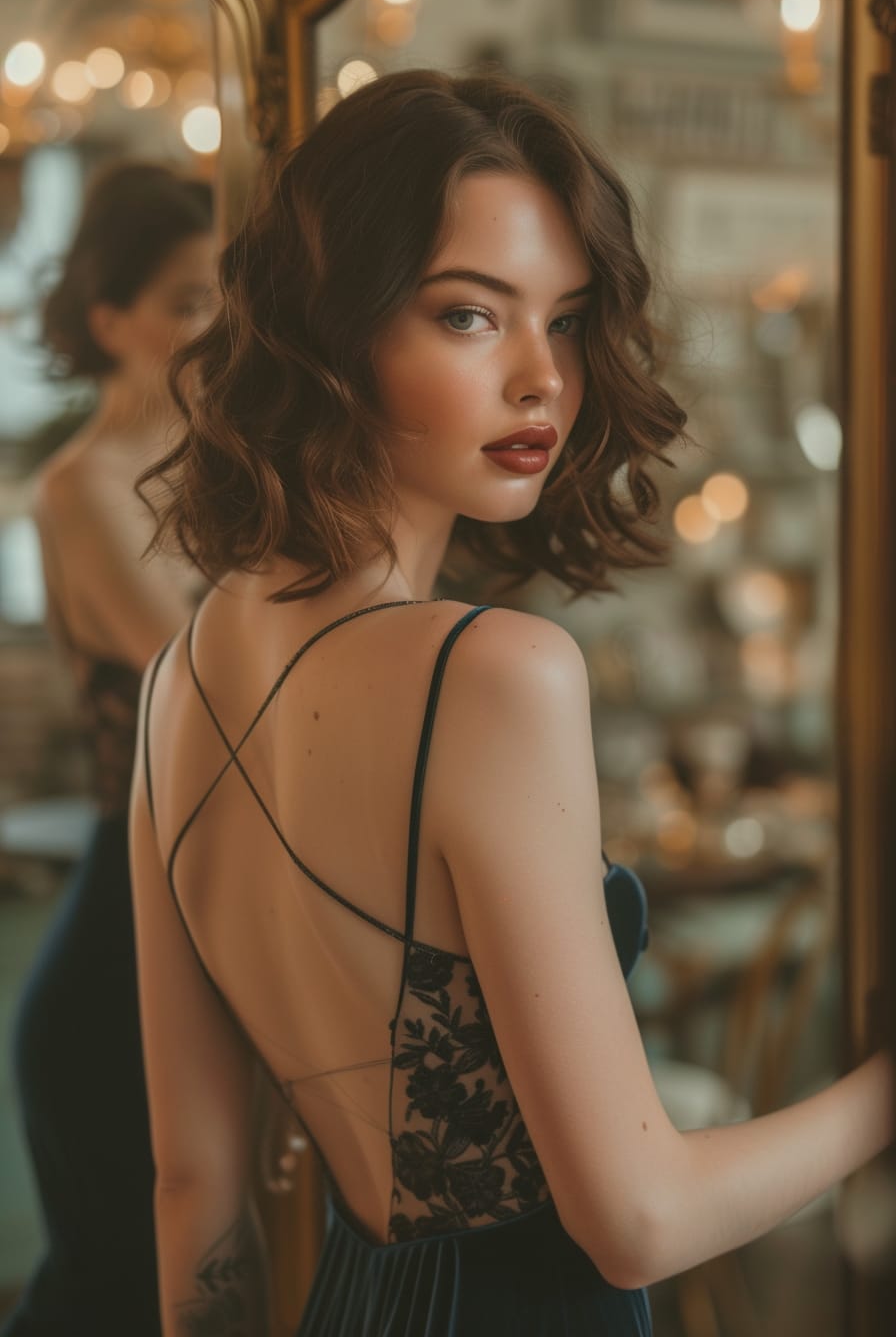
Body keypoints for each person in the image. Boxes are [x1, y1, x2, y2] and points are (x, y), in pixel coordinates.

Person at [130, 71, 893, 1336]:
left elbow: (194, 1187)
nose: (544, 377)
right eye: (472, 317)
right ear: (335, 325)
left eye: (571, 318)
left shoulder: (179, 680)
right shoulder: (491, 673)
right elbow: (635, 1216)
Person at [4, 164, 216, 1337]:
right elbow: (206, 678)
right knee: (114, 1291)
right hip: (123, 943)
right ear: (111, 322)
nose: (217, 329)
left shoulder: (227, 469)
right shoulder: (78, 486)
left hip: (209, 915)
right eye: (188, 302)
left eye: (227, 297)